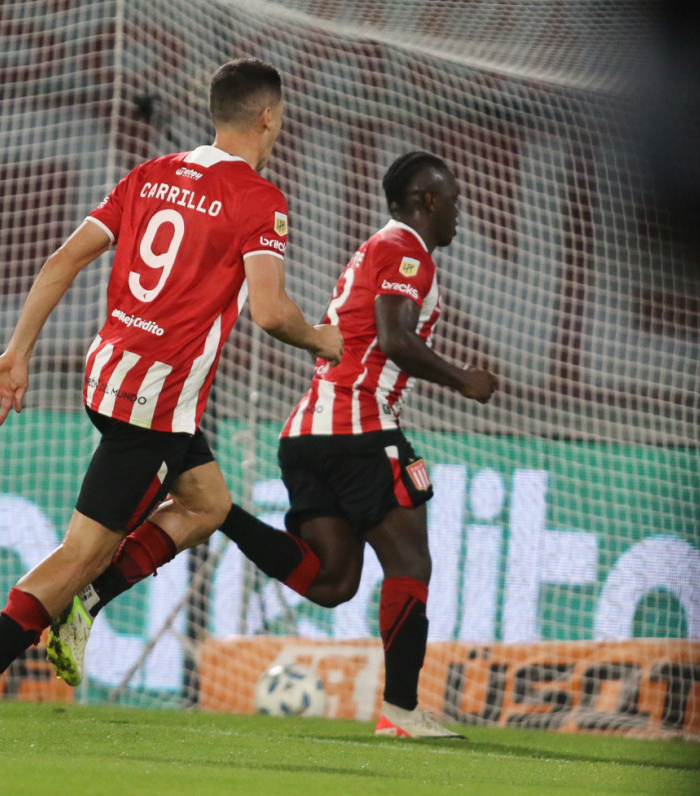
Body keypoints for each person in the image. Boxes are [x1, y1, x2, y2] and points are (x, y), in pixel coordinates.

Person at [0, 58, 344, 749]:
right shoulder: (258, 199)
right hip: (153, 405)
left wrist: (17, 351)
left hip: (113, 376)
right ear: (268, 115)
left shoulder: (149, 174)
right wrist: (319, 338)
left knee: (208, 504)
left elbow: (62, 260)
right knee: (84, 551)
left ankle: (86, 607)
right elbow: (269, 312)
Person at [48, 151, 498, 739]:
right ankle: (403, 711)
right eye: (456, 202)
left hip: (308, 433)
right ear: (430, 202)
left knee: (334, 583)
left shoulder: (381, 248)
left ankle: (193, 527)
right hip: (358, 429)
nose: (460, 215)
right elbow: (394, 337)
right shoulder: (405, 250)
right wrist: (464, 378)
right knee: (411, 562)